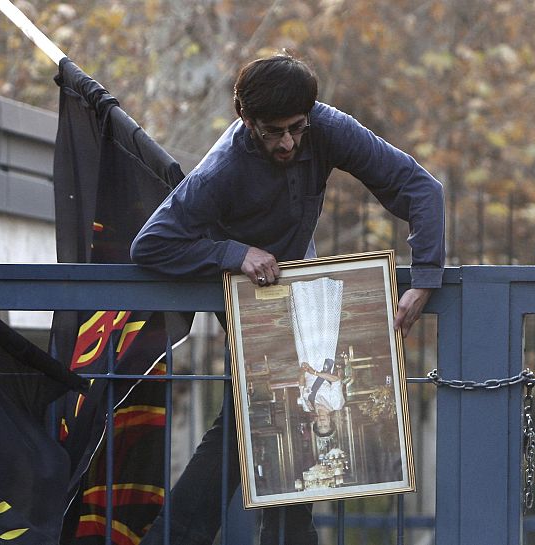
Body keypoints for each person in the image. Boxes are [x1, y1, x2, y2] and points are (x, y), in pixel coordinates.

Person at [130, 52, 445, 545]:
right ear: (246, 120)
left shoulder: (325, 126)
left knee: (269, 419)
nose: (287, 143)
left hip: (296, 283)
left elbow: (419, 188)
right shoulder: (222, 169)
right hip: (244, 291)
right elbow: (151, 244)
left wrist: (424, 277)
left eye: (296, 129)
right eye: (272, 132)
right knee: (264, 417)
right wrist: (235, 253)